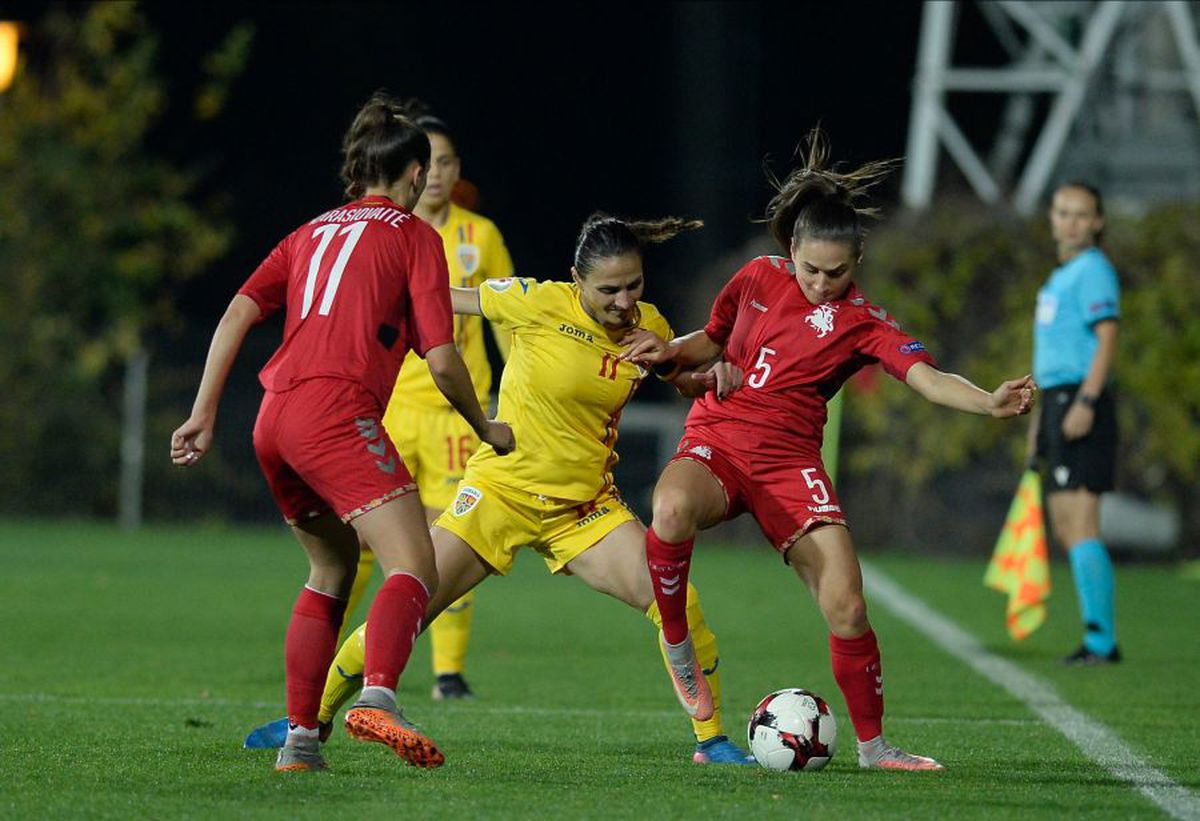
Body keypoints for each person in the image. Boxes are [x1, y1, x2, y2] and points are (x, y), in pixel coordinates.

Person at [246, 213, 755, 765]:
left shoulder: (648, 322)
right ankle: (308, 721)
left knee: (675, 599)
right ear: (576, 280)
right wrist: (360, 307)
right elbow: (440, 296)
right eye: (608, 288)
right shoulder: (534, 302)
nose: (623, 300)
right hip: (499, 494)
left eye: (633, 284)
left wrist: (705, 375)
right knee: (412, 601)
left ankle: (713, 740)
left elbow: (678, 378)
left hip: (583, 509)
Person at [622, 128, 1037, 772]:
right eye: (810, 268)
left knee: (847, 604)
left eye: (835, 272)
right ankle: (678, 645)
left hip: (790, 467)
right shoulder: (758, 276)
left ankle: (875, 749)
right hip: (719, 440)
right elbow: (713, 338)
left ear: (857, 260)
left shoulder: (864, 322)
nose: (820, 282)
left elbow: (925, 378)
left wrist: (986, 400)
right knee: (669, 508)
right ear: (791, 250)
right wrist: (669, 352)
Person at [171, 91, 514, 773]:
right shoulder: (417, 236)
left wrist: (203, 410)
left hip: (273, 418)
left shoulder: (309, 231)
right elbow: (444, 358)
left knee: (329, 568)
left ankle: (300, 742)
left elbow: (239, 310)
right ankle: (380, 695)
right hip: (334, 414)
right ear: (415, 175)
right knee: (415, 563)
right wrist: (486, 425)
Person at [341, 105, 516, 702]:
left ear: (455, 168)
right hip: (390, 407)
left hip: (454, 413)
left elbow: (507, 320)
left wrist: (511, 392)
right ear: (410, 169)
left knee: (451, 536)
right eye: (427, 163)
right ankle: (337, 661)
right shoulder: (389, 232)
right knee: (360, 543)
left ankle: (447, 673)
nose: (435, 174)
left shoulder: (480, 235)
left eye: (445, 162)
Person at [1026, 182, 1121, 665]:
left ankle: (1102, 641)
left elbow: (1106, 338)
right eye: (1064, 212)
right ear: (1052, 217)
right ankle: (1095, 635)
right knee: (1065, 526)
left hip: (1083, 400)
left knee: (1082, 523)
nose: (1071, 222)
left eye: (1082, 214)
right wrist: (1041, 419)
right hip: (1058, 402)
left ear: (1098, 221)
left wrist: (1087, 399)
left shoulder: (1093, 271)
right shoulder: (1061, 276)